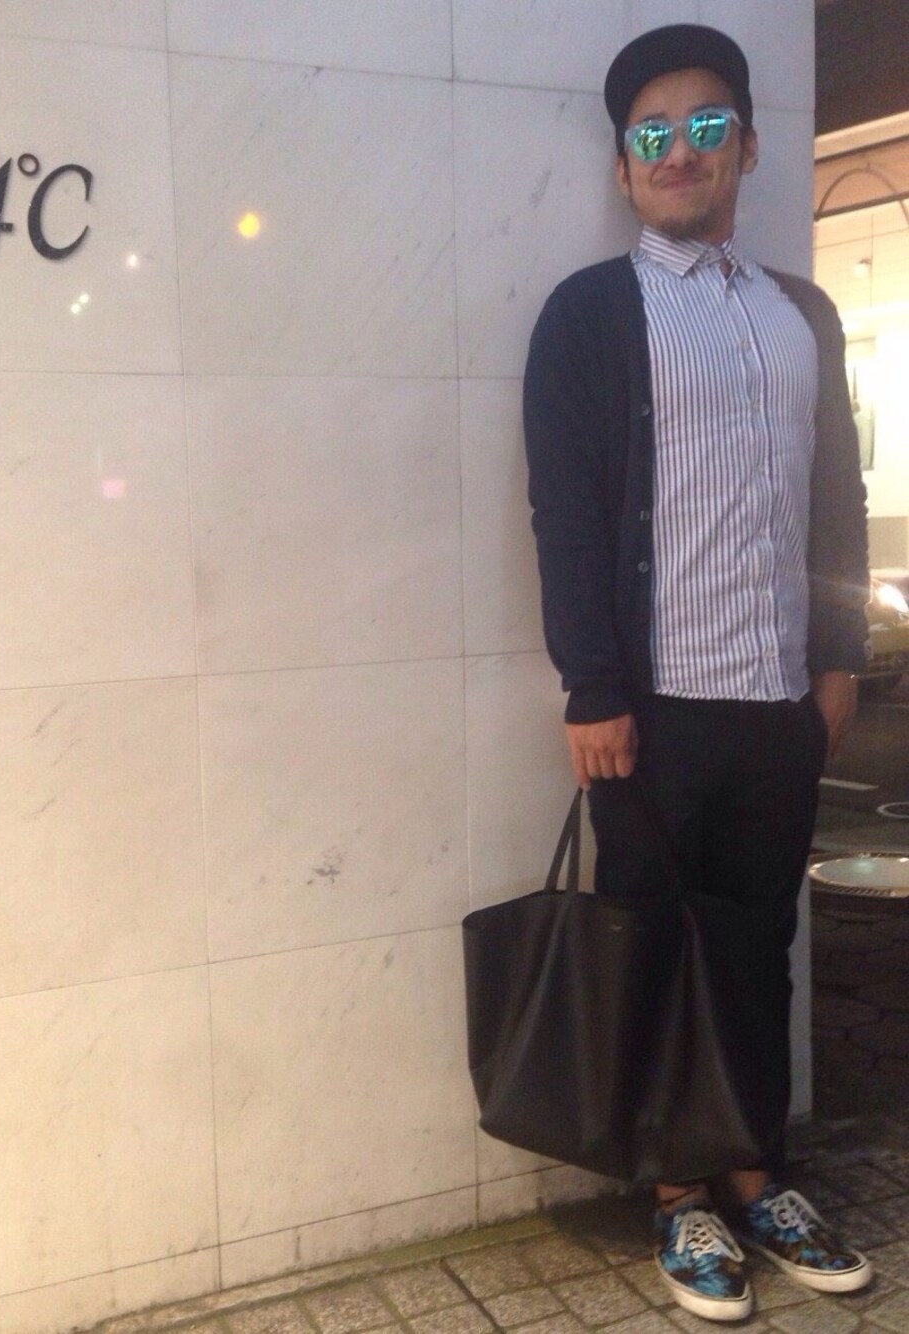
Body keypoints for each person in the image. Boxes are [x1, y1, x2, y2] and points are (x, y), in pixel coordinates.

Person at [523, 23, 873, 1324]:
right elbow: (564, 512)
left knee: (759, 942)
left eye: (707, 126)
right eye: (654, 134)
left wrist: (837, 659)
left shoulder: (802, 313)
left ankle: (758, 1173)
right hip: (650, 708)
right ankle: (680, 1197)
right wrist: (592, 684)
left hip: (779, 702)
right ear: (625, 166)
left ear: (747, 149)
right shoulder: (589, 315)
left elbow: (837, 497)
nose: (682, 152)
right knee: (658, 943)